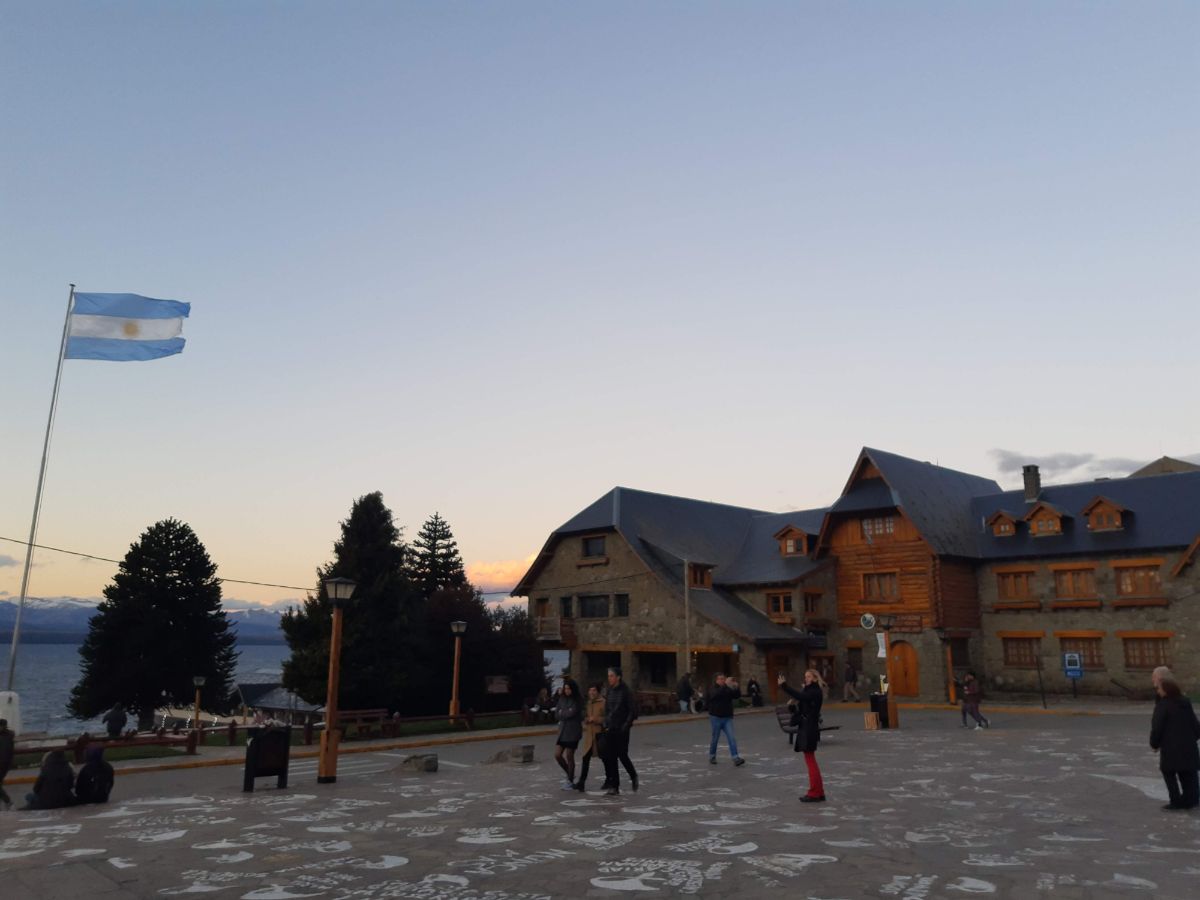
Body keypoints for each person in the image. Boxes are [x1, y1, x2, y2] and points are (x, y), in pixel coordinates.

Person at [1149, 666, 1200, 811]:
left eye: (1154, 677)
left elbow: (1157, 727)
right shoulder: (1185, 701)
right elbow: (1195, 724)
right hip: (1188, 745)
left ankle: (1176, 801)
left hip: (1171, 746)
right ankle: (1192, 799)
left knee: (1168, 771)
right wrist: (1193, 738)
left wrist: (1154, 744)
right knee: (1188, 771)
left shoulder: (1163, 704)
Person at [778, 669, 826, 802]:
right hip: (806, 727)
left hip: (809, 728)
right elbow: (802, 707)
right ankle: (819, 792)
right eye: (805, 676)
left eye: (809, 676)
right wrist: (792, 707)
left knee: (811, 761)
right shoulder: (809, 691)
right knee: (810, 760)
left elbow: (802, 697)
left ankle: (815, 793)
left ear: (815, 678)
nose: (806, 679)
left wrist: (784, 686)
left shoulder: (815, 691)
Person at [601, 666, 638, 796]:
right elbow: (607, 710)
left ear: (618, 677)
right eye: (608, 676)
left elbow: (632, 711)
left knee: (622, 755)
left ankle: (633, 775)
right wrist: (605, 723)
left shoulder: (626, 691)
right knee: (611, 757)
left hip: (622, 729)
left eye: (611, 676)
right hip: (610, 728)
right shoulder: (610, 691)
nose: (609, 678)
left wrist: (626, 725)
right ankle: (614, 786)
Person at [705, 673, 745, 766]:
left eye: (724, 678)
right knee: (715, 738)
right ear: (716, 680)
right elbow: (716, 695)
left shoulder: (727, 688)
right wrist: (726, 685)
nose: (723, 680)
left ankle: (735, 758)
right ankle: (712, 756)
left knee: (731, 738)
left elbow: (736, 696)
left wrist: (736, 687)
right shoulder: (713, 688)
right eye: (721, 679)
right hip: (716, 717)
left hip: (727, 718)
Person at [574, 682, 606, 792]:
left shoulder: (603, 702)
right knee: (585, 758)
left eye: (594, 690)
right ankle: (581, 782)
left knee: (605, 758)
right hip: (589, 736)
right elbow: (586, 717)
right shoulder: (588, 703)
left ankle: (609, 779)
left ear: (598, 691)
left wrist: (596, 719)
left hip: (600, 735)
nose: (591, 692)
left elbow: (607, 718)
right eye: (590, 690)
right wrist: (587, 720)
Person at [554, 678, 582, 790]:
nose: (567, 691)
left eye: (569, 689)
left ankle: (570, 781)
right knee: (557, 755)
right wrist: (564, 712)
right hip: (562, 731)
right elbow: (557, 713)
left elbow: (572, 713)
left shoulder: (577, 700)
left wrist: (563, 712)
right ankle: (570, 774)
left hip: (573, 732)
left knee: (569, 756)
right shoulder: (562, 699)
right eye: (565, 688)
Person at [0, 718, 14, 811]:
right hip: (5, 764)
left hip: (2, 764)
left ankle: (8, 802)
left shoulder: (5, 738)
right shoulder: (8, 736)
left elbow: (5, 753)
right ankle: (7, 802)